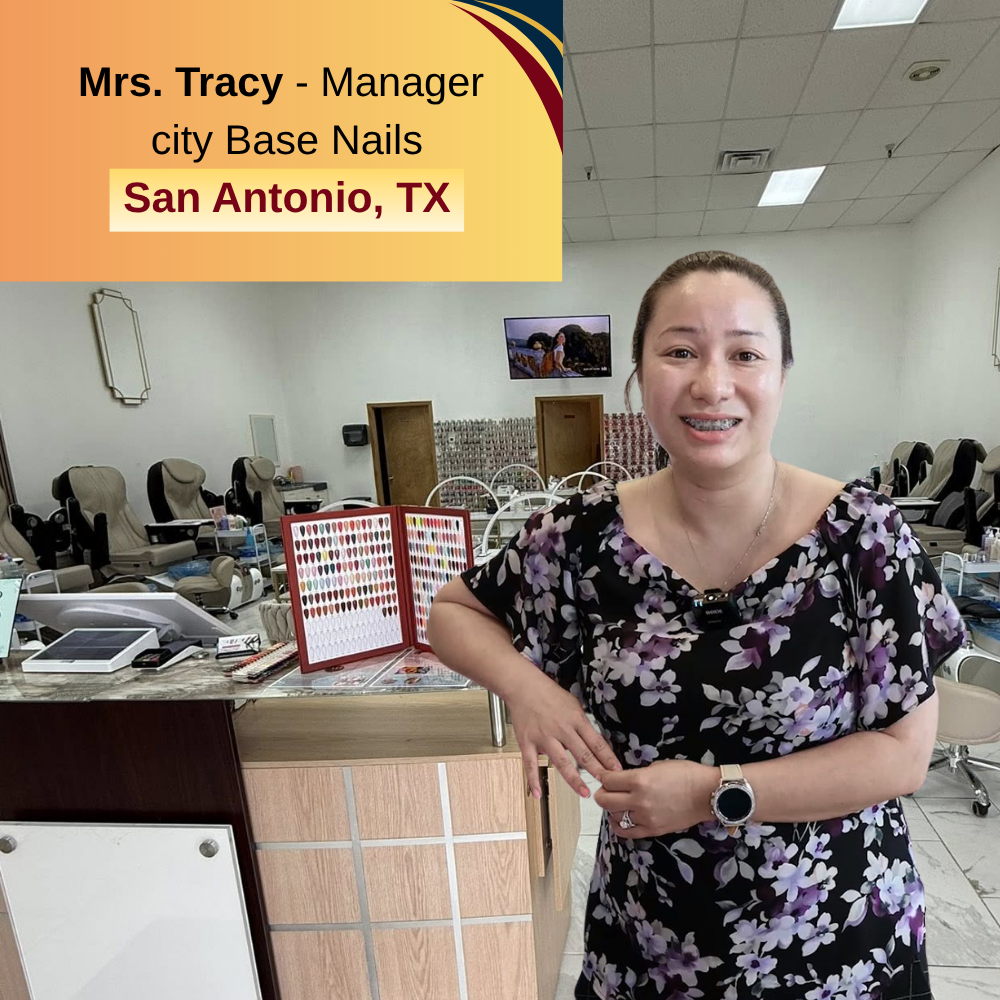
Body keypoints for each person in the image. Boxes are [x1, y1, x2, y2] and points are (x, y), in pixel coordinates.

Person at [428, 250, 966, 1000]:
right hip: (649, 948)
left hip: (839, 949)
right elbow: (452, 613)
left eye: (745, 354)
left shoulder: (862, 536)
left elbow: (904, 756)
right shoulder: (580, 538)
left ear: (782, 375)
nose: (712, 384)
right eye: (680, 351)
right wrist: (529, 688)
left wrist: (715, 791)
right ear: (638, 376)